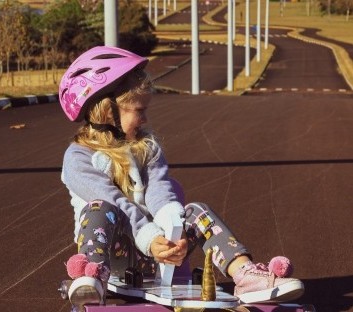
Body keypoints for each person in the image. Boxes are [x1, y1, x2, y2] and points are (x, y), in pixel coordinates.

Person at [59, 46, 304, 310]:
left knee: (196, 211)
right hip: (114, 255)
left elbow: (161, 192)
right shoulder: (78, 159)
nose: (145, 118)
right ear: (107, 110)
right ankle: (91, 276)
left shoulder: (146, 146)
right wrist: (150, 238)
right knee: (99, 208)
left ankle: (244, 275)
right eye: (139, 110)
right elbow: (115, 201)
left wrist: (174, 233)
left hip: (159, 252)